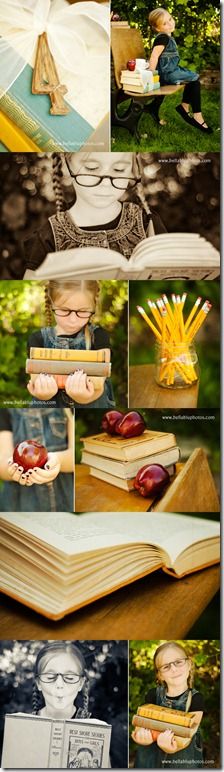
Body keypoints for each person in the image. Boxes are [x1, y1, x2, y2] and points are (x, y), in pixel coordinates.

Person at [22, 152, 166, 276]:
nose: (106, 183)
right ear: (67, 164)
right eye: (92, 168)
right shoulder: (47, 238)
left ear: (133, 168)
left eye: (119, 169)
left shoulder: (148, 223)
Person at [26, 279, 116, 408]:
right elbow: (35, 382)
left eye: (83, 311)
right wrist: (44, 395)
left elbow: (99, 384)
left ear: (93, 306)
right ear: (51, 304)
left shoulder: (99, 336)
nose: (73, 320)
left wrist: (84, 398)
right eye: (64, 310)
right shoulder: (37, 339)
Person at [132, 641, 205, 768]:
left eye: (178, 662)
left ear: (189, 664)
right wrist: (141, 736)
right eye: (166, 666)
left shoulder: (195, 699)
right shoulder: (153, 695)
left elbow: (189, 731)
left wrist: (171, 748)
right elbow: (140, 724)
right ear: (160, 675)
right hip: (150, 761)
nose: (173, 669)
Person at [147, 9, 213, 134]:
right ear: (158, 28)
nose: (170, 24)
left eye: (170, 19)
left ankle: (182, 107)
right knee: (194, 78)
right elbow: (154, 56)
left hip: (172, 70)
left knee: (193, 80)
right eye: (165, 23)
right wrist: (151, 73)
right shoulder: (163, 38)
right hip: (167, 74)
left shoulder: (167, 36)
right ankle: (195, 114)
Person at [0, 407, 73, 511]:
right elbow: (3, 460)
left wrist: (58, 460)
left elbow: (73, 455)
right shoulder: (6, 410)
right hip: (19, 503)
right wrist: (11, 468)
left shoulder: (67, 406)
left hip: (64, 494)